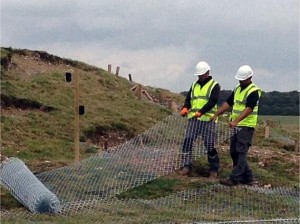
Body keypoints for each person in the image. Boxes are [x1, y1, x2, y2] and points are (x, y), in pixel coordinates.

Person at [211, 65, 262, 186]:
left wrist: (236, 121)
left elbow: (249, 108)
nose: (240, 81)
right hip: (236, 125)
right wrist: (216, 114)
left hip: (246, 126)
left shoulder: (253, 91)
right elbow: (229, 102)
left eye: (242, 79)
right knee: (234, 152)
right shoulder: (238, 89)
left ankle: (235, 178)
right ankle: (248, 177)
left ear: (249, 77)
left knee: (241, 152)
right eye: (239, 79)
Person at [179, 61, 220, 178]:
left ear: (207, 72)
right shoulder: (194, 85)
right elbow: (188, 99)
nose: (200, 77)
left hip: (208, 120)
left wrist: (202, 112)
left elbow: (213, 101)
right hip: (194, 119)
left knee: (209, 145)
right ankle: (186, 166)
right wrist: (185, 108)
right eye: (199, 75)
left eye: (202, 74)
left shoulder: (214, 85)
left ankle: (214, 169)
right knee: (188, 140)